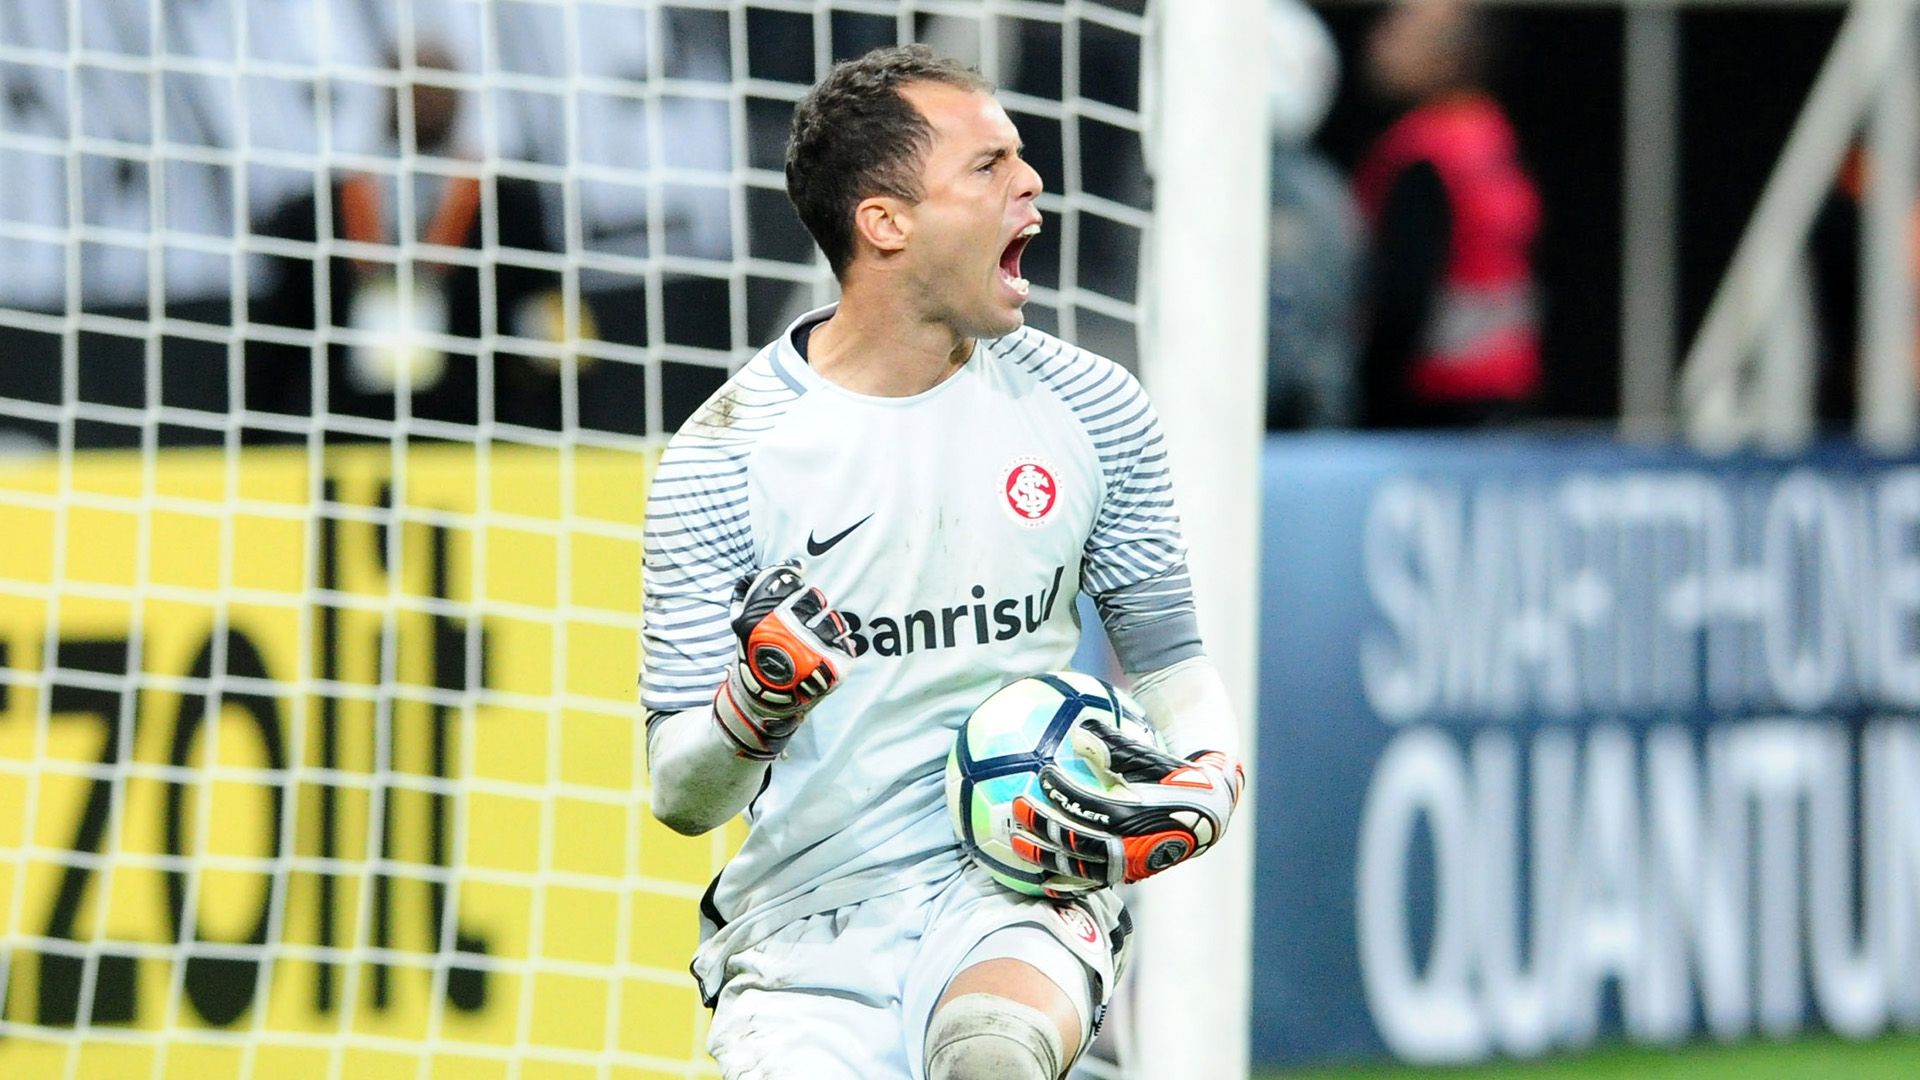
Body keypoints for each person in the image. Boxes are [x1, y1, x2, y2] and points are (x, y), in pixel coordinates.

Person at [639, 45, 1246, 1080]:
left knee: (991, 1053)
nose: (1030, 182)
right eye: (989, 166)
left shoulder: (1095, 410)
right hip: (807, 927)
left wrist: (1212, 778)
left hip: (1017, 889)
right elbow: (681, 794)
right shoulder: (725, 457)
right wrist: (752, 709)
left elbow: (1172, 665)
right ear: (885, 223)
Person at [248, 42, 568, 437]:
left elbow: (547, 321)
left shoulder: (510, 209)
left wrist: (555, 426)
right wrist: (258, 437)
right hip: (349, 432)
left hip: (473, 428)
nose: (426, 99)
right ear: (386, 95)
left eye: (438, 87)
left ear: (461, 98)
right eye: (413, 86)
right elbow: (276, 344)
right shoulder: (318, 214)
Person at [1352, 0, 1542, 428]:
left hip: (1434, 408)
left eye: (1400, 30)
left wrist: (1365, 395)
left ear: (1450, 58)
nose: (1378, 40)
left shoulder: (1426, 154)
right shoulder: (1491, 135)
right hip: (1503, 395)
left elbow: (1404, 301)